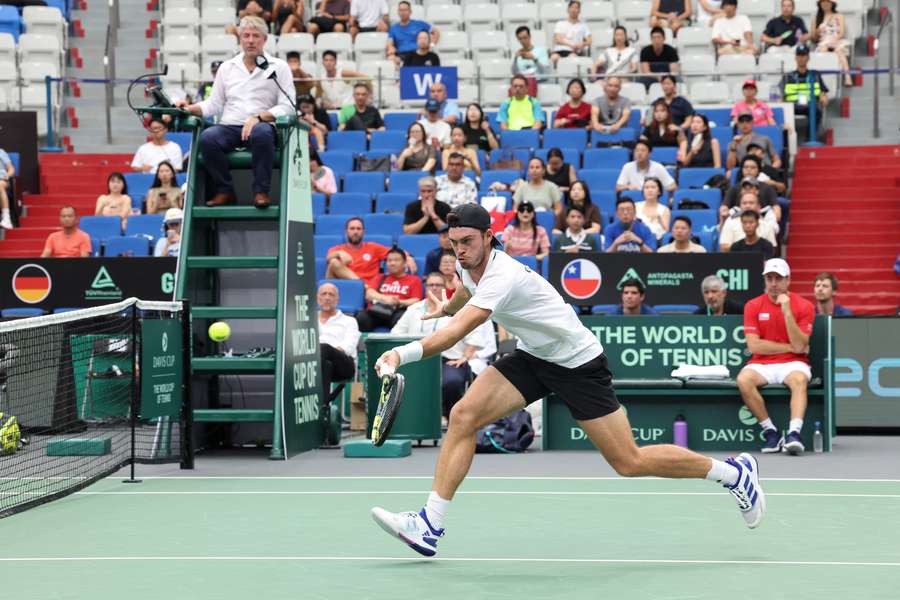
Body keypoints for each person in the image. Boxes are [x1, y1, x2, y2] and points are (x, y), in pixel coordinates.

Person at [370, 203, 765, 557]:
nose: (460, 250)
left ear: (490, 237)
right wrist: (445, 307)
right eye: (454, 243)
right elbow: (464, 293)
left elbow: (459, 331)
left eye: (468, 241)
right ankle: (429, 525)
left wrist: (399, 353)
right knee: (463, 416)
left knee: (629, 462)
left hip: (578, 364)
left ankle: (733, 474)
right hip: (533, 356)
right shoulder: (467, 262)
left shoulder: (503, 275)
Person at [176, 17, 292, 208]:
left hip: (263, 126)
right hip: (230, 126)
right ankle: (225, 191)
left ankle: (261, 191)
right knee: (207, 138)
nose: (251, 40)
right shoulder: (227, 68)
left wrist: (259, 117)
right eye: (246, 35)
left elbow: (288, 106)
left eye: (256, 36)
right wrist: (189, 108)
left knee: (262, 133)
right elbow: (214, 104)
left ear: (265, 39)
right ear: (240, 39)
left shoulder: (279, 67)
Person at [737, 258, 815, 454]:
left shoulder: (804, 306)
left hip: (794, 363)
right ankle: (771, 432)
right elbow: (754, 345)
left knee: (798, 380)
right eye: (769, 278)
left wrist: (787, 311)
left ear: (788, 280)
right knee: (743, 380)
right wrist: (790, 346)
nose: (773, 284)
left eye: (778, 279)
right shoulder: (752, 305)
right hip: (761, 364)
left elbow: (799, 347)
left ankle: (794, 434)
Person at [392, 272, 485, 418]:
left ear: (445, 287)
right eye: (430, 285)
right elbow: (395, 334)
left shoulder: (456, 308)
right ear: (425, 287)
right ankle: (412, 419)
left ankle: (451, 417)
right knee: (401, 381)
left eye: (438, 285)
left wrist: (465, 357)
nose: (434, 288)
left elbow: (474, 337)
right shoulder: (413, 310)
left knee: (452, 381)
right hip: (417, 360)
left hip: (448, 359)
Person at [355, 246, 422, 332]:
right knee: (361, 317)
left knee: (402, 319)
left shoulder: (414, 280)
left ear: (405, 263)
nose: (392, 263)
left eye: (396, 260)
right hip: (378, 311)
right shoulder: (380, 277)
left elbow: (416, 301)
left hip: (398, 312)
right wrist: (385, 298)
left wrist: (399, 302)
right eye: (389, 260)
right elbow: (369, 294)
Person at [326, 217, 403, 289]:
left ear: (363, 232)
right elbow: (328, 258)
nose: (355, 232)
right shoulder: (337, 249)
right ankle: (361, 284)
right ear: (346, 231)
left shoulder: (373, 247)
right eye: (352, 229)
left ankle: (362, 286)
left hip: (369, 287)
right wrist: (339, 253)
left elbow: (395, 253)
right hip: (346, 287)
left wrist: (408, 257)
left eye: (358, 229)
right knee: (333, 262)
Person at [317, 282, 361, 402]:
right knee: (325, 364)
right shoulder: (309, 320)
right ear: (318, 298)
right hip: (318, 364)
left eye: (331, 294)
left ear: (337, 299)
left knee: (323, 348)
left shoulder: (349, 321)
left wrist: (326, 351)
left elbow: (348, 347)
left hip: (343, 365)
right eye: (324, 294)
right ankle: (323, 405)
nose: (327, 297)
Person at [782, 44, 830, 142]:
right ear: (795, 57)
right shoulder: (788, 76)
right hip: (792, 105)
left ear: (808, 57)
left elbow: (823, 92)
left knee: (816, 111)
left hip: (809, 105)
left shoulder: (815, 74)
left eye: (803, 55)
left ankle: (809, 139)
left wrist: (824, 97)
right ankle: (786, 143)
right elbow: (780, 94)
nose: (801, 58)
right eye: (799, 55)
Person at [812, 0, 853, 87]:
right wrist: (818, 31)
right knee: (823, 49)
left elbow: (842, 33)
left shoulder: (839, 16)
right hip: (823, 42)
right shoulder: (816, 18)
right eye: (823, 2)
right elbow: (814, 37)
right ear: (820, 4)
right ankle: (822, 78)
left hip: (836, 40)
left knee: (839, 51)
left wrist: (834, 39)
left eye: (828, 2)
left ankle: (847, 76)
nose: (825, 4)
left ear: (832, 4)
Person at [387, 1, 439, 66]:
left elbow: (436, 32)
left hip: (417, 54)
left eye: (405, 10)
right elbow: (389, 43)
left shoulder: (419, 24)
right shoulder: (393, 28)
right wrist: (391, 50)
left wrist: (432, 45)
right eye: (400, 10)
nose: (403, 12)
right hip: (401, 55)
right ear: (398, 12)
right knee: (390, 58)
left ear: (410, 12)